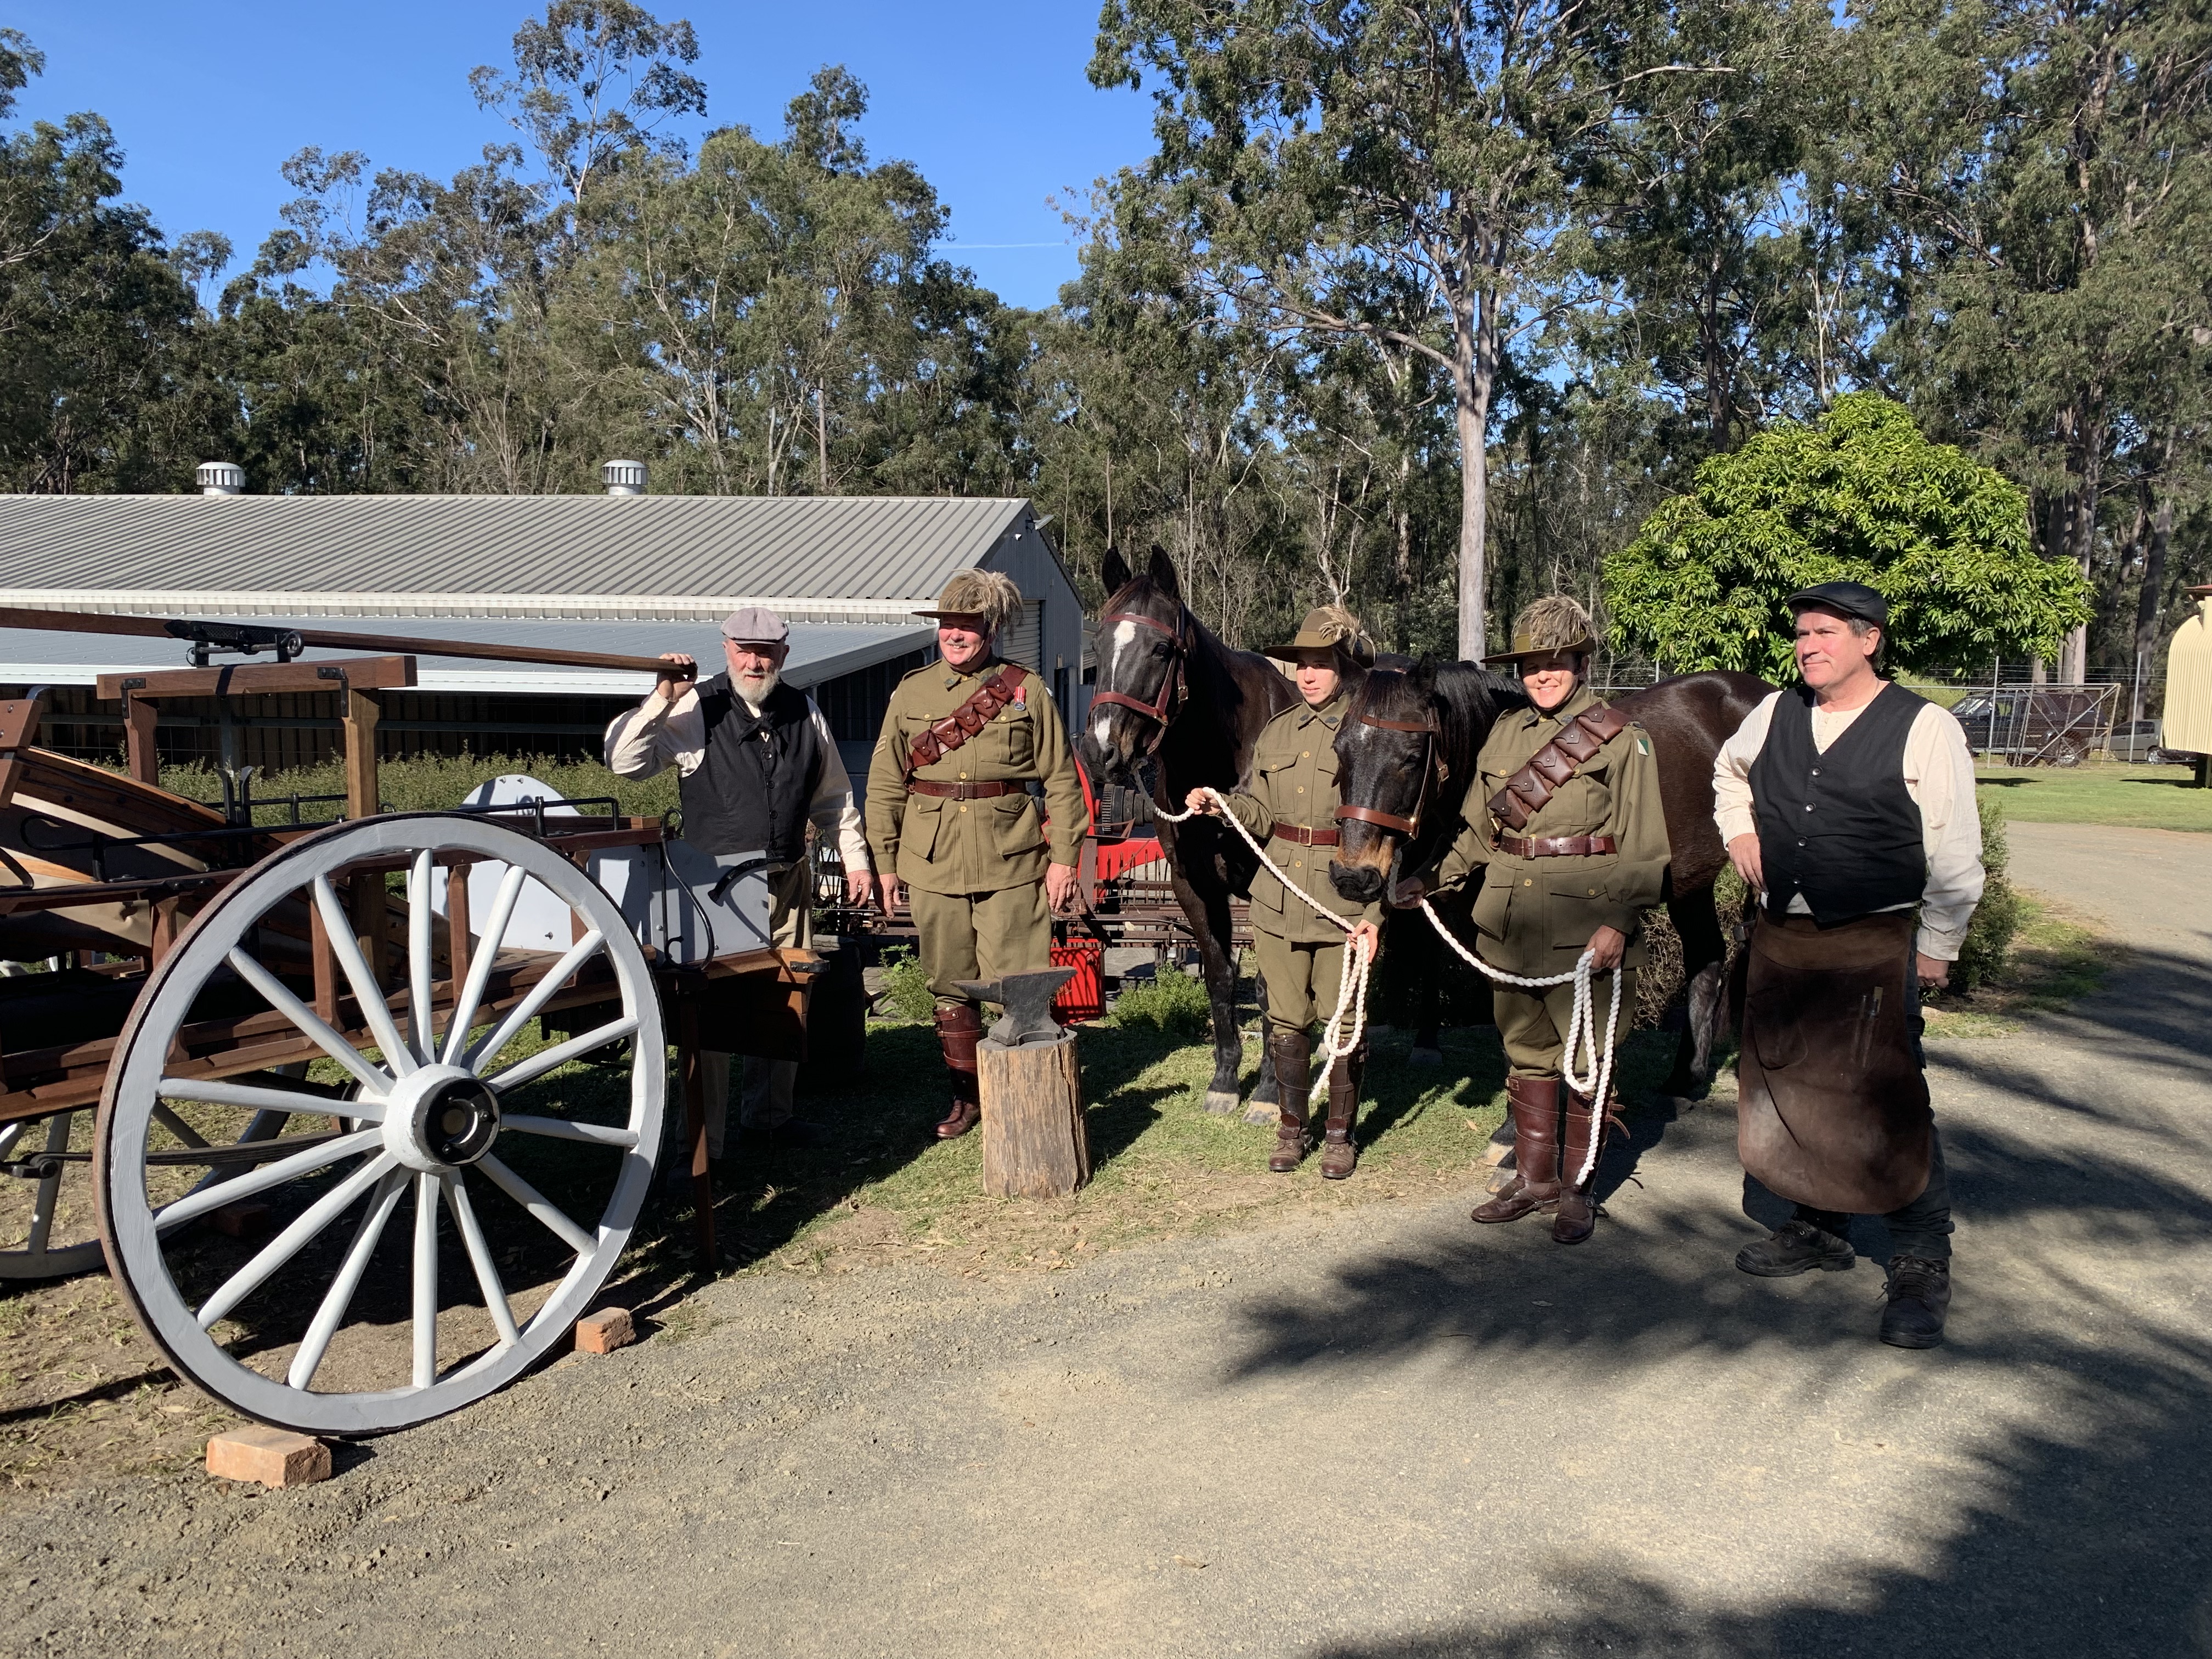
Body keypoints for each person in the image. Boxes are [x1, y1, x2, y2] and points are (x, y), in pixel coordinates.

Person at [1714, 580, 1983, 1348]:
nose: (1807, 646)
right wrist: (1738, 832)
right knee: (1793, 1083)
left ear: (1870, 640)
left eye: (1825, 632)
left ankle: (1923, 1260)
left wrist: (1938, 945)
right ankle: (1819, 1226)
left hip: (1875, 942)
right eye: (1801, 634)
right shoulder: (1774, 714)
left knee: (1886, 1096)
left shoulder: (1924, 727)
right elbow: (1728, 776)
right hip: (1786, 939)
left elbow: (1957, 851)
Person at [1402, 596, 1669, 1244]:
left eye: (1555, 664)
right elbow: (1480, 829)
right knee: (1526, 1055)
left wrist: (1620, 923)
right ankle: (1535, 1179)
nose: (1542, 677)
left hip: (1589, 924)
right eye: (1530, 667)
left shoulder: (1621, 737)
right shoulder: (1505, 733)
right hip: (1510, 920)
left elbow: (1646, 846)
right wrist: (1435, 880)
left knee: (1587, 1060)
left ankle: (1578, 1190)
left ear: (1580, 663)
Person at [605, 605, 873, 1153]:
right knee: (714, 1016)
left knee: (786, 1000)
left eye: (767, 650)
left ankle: (771, 1118)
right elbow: (625, 763)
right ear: (726, 649)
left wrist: (857, 859)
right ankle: (703, 1144)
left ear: (784, 655)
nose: (755, 660)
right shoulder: (694, 709)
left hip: (787, 881)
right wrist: (661, 698)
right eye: (745, 649)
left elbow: (834, 798)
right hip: (714, 892)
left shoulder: (804, 711)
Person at [866, 568, 1089, 1139]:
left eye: (967, 626)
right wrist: (886, 863)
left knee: (1019, 977)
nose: (955, 635)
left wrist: (1064, 858)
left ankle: (1022, 1094)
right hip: (932, 858)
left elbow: (1062, 781)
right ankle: (968, 1099)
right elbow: (887, 783)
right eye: (947, 625)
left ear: (990, 630)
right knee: (949, 980)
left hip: (1012, 858)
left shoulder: (1026, 689)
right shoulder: (911, 692)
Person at [1186, 606, 1384, 1178]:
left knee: (1343, 1023)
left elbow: (1382, 831)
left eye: (1322, 664)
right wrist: (1223, 804)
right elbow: (1263, 811)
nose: (1309, 675)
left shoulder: (1366, 731)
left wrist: (1374, 910)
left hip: (1341, 896)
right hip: (1278, 895)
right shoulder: (1279, 732)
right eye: (1301, 664)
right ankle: (1292, 1130)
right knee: (1286, 1020)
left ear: (1344, 667)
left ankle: (1340, 1137)